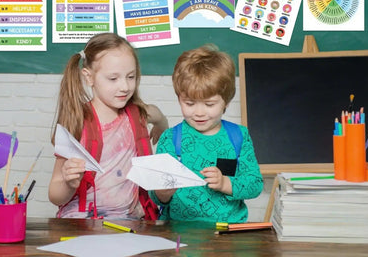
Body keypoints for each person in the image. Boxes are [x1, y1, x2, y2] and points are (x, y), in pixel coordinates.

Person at [48, 33, 168, 219]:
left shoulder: (139, 114)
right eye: (113, 79)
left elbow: (157, 114)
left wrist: (162, 126)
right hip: (82, 221)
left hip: (129, 220)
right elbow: (55, 196)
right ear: (89, 78)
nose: (125, 87)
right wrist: (68, 183)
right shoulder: (77, 122)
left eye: (131, 76)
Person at [149, 45, 263, 222]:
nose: (199, 112)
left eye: (209, 104)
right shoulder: (170, 139)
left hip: (228, 232)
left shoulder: (238, 136)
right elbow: (155, 196)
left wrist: (226, 183)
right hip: (181, 231)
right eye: (189, 103)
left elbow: (254, 184)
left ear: (226, 101)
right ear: (179, 98)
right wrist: (162, 193)